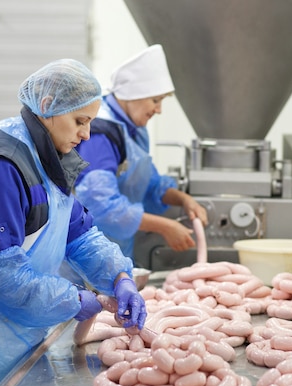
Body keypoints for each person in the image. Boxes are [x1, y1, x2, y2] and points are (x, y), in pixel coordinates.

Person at [0, 59, 147, 386]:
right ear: (49, 107)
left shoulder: (51, 158)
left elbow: (80, 235)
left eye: (90, 122)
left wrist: (120, 277)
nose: (86, 134)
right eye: (80, 121)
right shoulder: (3, 167)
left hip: (22, 318)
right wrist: (73, 299)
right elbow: (0, 276)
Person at [74, 45, 208, 260]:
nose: (159, 110)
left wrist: (184, 200)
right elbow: (101, 205)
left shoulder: (133, 131)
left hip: (114, 254)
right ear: (131, 95)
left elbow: (150, 184)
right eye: (155, 100)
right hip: (86, 258)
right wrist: (165, 227)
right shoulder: (100, 134)